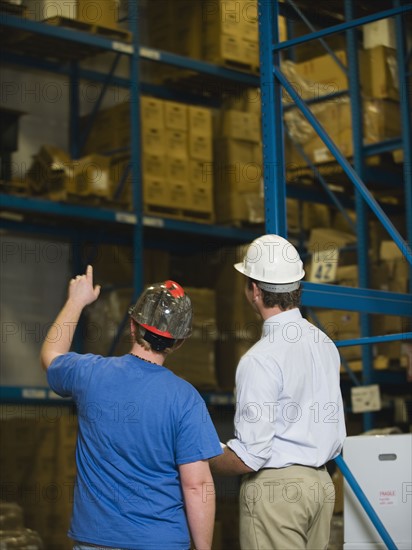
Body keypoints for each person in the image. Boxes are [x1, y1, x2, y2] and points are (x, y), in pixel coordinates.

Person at [41, 266, 222, 550]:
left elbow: (51, 355)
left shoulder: (90, 374)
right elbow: (197, 485)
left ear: (132, 326)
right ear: (179, 342)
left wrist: (76, 300)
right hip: (161, 542)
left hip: (95, 541)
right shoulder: (186, 399)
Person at [209, 234, 346, 550]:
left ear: (254, 291)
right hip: (322, 486)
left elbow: (250, 457)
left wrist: (203, 457)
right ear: (297, 286)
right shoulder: (324, 344)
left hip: (278, 494)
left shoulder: (260, 359)